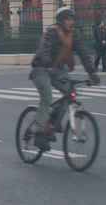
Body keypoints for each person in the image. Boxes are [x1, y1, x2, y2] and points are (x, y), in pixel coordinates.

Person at [29, 8, 100, 149]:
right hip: (41, 68)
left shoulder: (74, 36)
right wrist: (49, 68)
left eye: (72, 19)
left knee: (69, 92)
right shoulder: (52, 33)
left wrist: (92, 73)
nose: (71, 22)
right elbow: (45, 50)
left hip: (57, 69)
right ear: (61, 21)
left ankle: (53, 120)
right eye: (68, 19)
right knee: (46, 97)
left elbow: (84, 54)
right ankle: (40, 132)